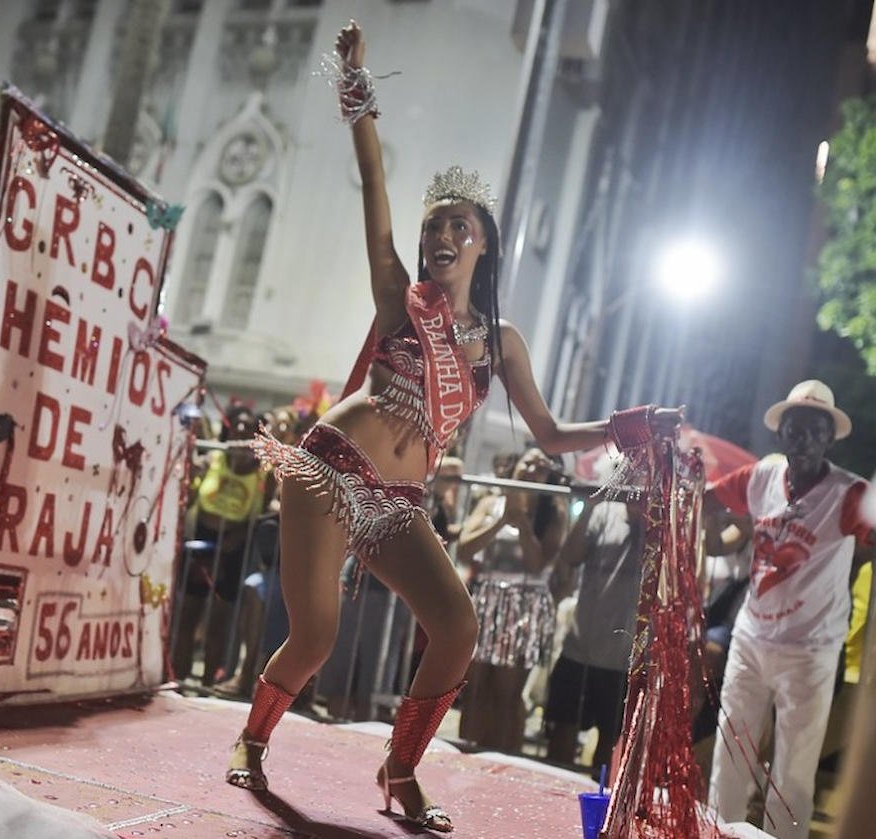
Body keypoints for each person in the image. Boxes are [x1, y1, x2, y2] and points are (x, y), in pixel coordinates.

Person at [224, 20, 680, 833]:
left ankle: (399, 768)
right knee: (317, 635)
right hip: (330, 468)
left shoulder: (501, 343)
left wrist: (632, 426)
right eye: (434, 224)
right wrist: (357, 88)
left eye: (456, 226)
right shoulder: (400, 296)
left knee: (458, 626)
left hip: (398, 501)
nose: (440, 235)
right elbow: (374, 183)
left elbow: (550, 435)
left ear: (483, 247)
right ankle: (253, 739)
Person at [705, 380, 875, 839]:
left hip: (810, 650)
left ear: (829, 438)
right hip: (751, 639)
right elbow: (706, 502)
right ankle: (719, 833)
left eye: (815, 432)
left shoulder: (848, 492)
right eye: (795, 430)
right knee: (730, 752)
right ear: (780, 433)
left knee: (793, 770)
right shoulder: (761, 476)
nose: (803, 441)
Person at [455, 447, 568, 751]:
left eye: (541, 468)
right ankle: (466, 751)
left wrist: (524, 525)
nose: (531, 470)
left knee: (507, 694)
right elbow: (464, 550)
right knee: (475, 688)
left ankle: (503, 756)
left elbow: (537, 565)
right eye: (528, 463)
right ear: (516, 465)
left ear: (549, 478)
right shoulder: (490, 502)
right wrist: (502, 520)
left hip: (525, 606)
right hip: (487, 600)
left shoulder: (553, 512)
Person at [543, 495, 644, 775]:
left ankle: (597, 800)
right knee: (561, 734)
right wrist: (589, 505)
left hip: (623, 660)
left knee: (609, 746)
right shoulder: (603, 512)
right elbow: (571, 556)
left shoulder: (661, 521)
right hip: (580, 647)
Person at [172, 403, 271, 686]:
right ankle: (179, 678)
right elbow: (192, 497)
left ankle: (207, 684)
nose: (240, 429)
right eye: (236, 424)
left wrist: (236, 537)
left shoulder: (263, 472)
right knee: (188, 615)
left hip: (233, 551)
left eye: (247, 426)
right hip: (200, 543)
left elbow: (262, 514)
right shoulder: (213, 459)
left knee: (219, 622)